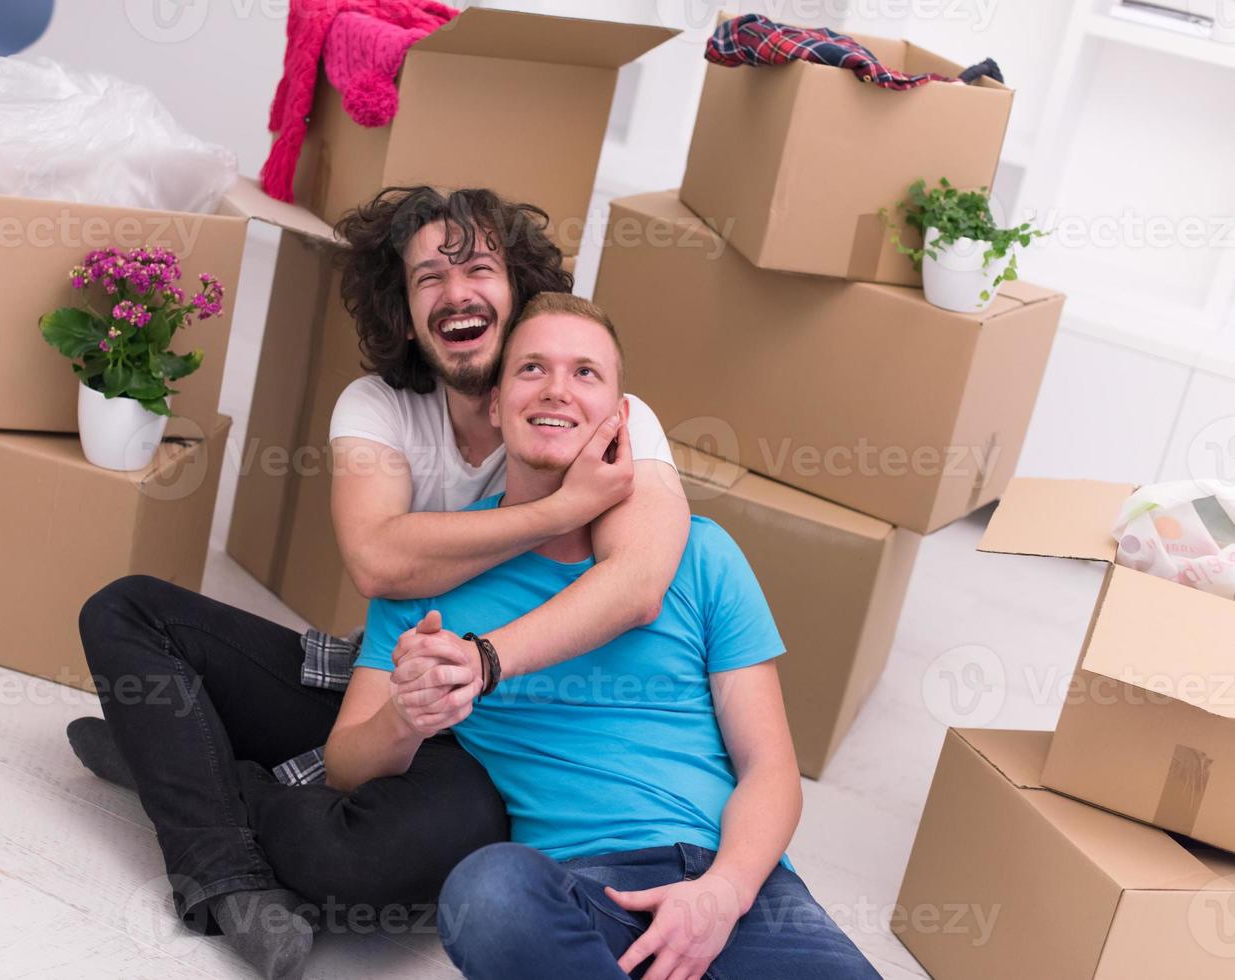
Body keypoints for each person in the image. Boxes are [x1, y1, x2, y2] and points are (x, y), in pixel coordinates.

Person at [69, 187, 692, 978]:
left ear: (519, 294)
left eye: (477, 269)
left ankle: (184, 773)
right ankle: (225, 872)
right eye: (427, 277)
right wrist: (561, 509)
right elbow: (377, 560)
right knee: (124, 610)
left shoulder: (600, 406)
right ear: (401, 312)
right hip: (378, 679)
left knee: (360, 867)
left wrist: (484, 659)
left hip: (499, 729)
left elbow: (639, 581)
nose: (455, 291)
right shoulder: (376, 406)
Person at [328, 292, 880, 979]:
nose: (557, 388)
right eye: (531, 368)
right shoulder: (430, 580)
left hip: (731, 886)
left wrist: (723, 892)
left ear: (619, 419)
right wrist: (404, 718)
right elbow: (345, 761)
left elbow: (770, 769)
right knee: (484, 893)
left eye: (585, 372)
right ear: (494, 406)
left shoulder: (700, 556)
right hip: (578, 895)